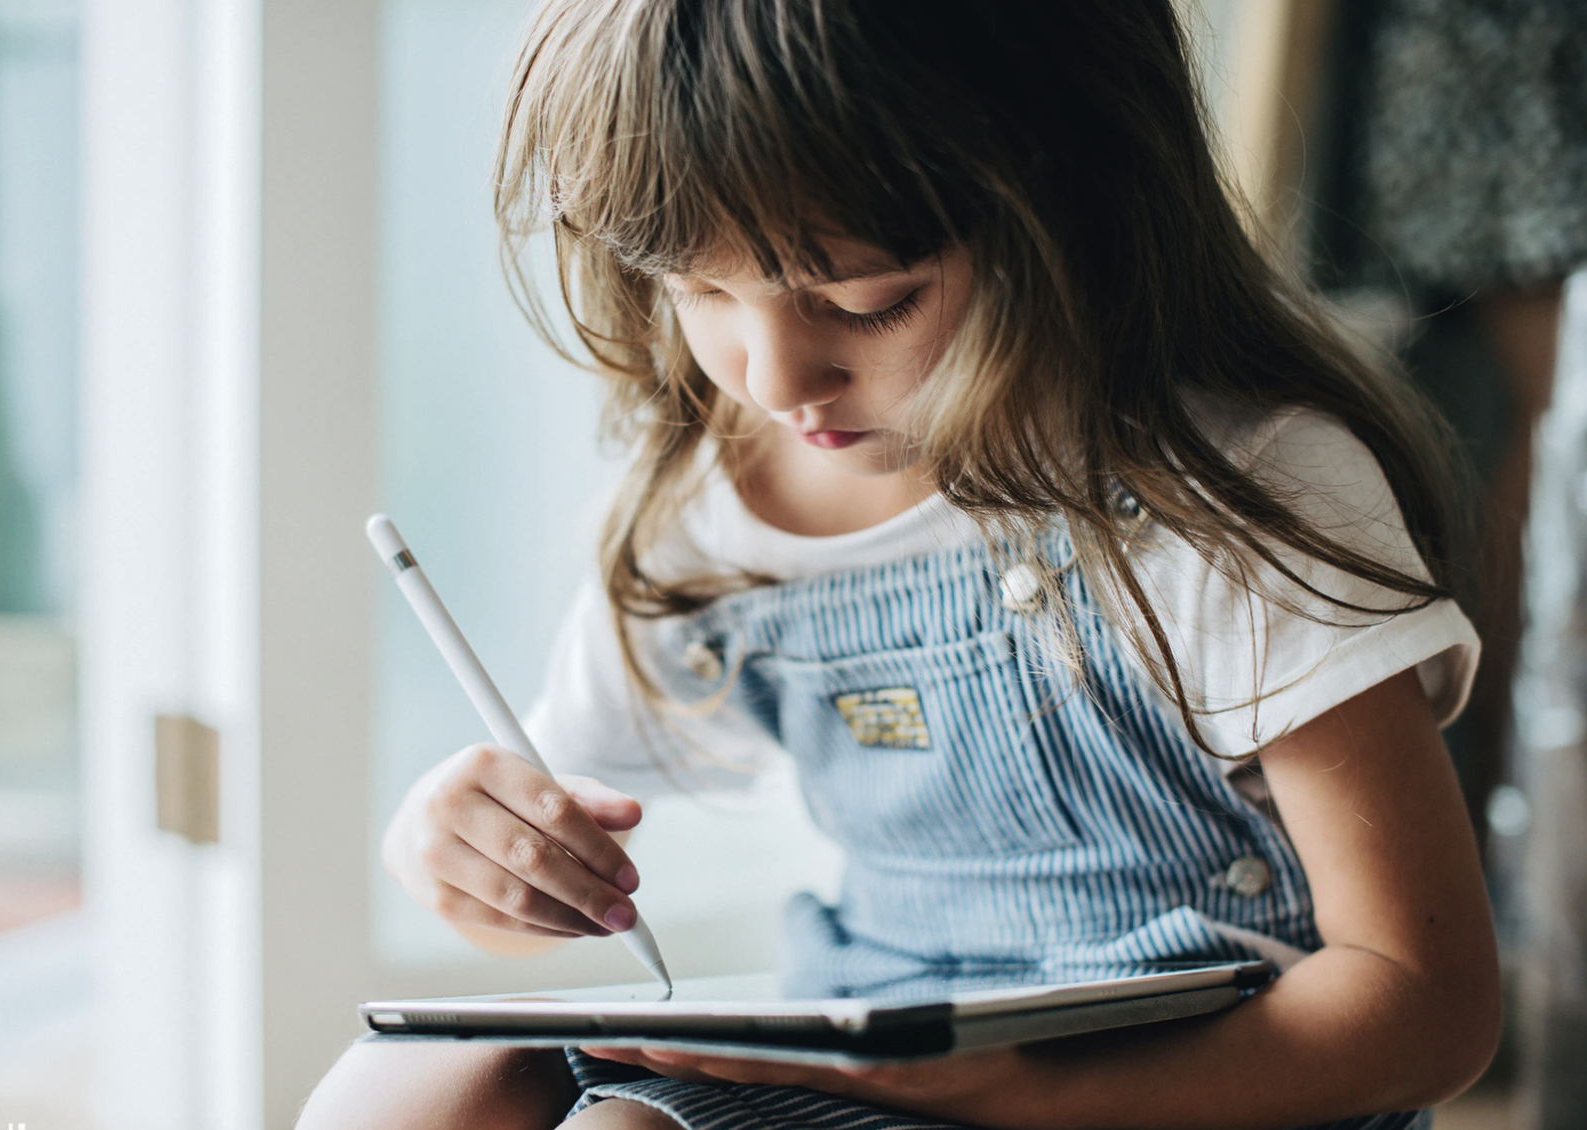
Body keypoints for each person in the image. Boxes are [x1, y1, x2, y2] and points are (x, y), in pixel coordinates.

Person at [297, 2, 1500, 1127]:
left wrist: (1011, 1090)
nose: (775, 380)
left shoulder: (1234, 488)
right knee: (397, 1095)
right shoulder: (704, 514)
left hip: (1173, 1070)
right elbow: (553, 883)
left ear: (1073, 208)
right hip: (876, 1025)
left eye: (864, 301)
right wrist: (472, 865)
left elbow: (1426, 1003)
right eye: (700, 288)